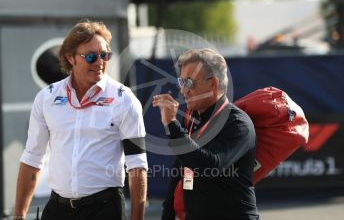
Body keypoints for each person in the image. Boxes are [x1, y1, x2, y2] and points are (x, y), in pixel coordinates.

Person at [13, 20, 148, 220]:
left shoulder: (124, 99)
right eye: (91, 56)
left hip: (104, 209)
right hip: (57, 208)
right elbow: (32, 159)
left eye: (105, 55)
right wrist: (19, 215)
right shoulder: (46, 98)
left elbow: (137, 166)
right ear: (70, 58)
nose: (100, 62)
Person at [152, 48, 260, 219]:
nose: (183, 91)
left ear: (213, 84)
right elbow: (182, 168)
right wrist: (168, 214)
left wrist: (172, 124)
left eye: (189, 83)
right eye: (181, 82)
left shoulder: (238, 123)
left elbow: (210, 166)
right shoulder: (195, 120)